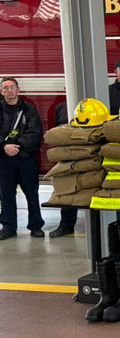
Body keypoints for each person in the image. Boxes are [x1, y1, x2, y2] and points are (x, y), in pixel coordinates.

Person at [0, 77, 44, 240]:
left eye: (12, 87)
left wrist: (15, 146)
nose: (9, 90)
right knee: (6, 194)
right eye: (6, 88)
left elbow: (35, 132)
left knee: (32, 193)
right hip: (4, 159)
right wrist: (4, 147)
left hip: (26, 158)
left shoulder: (29, 110)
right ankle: (8, 227)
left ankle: (36, 226)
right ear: (1, 91)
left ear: (18, 90)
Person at [49, 101, 79, 237]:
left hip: (92, 154)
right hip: (68, 155)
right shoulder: (61, 107)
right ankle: (66, 225)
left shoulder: (98, 105)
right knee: (67, 189)